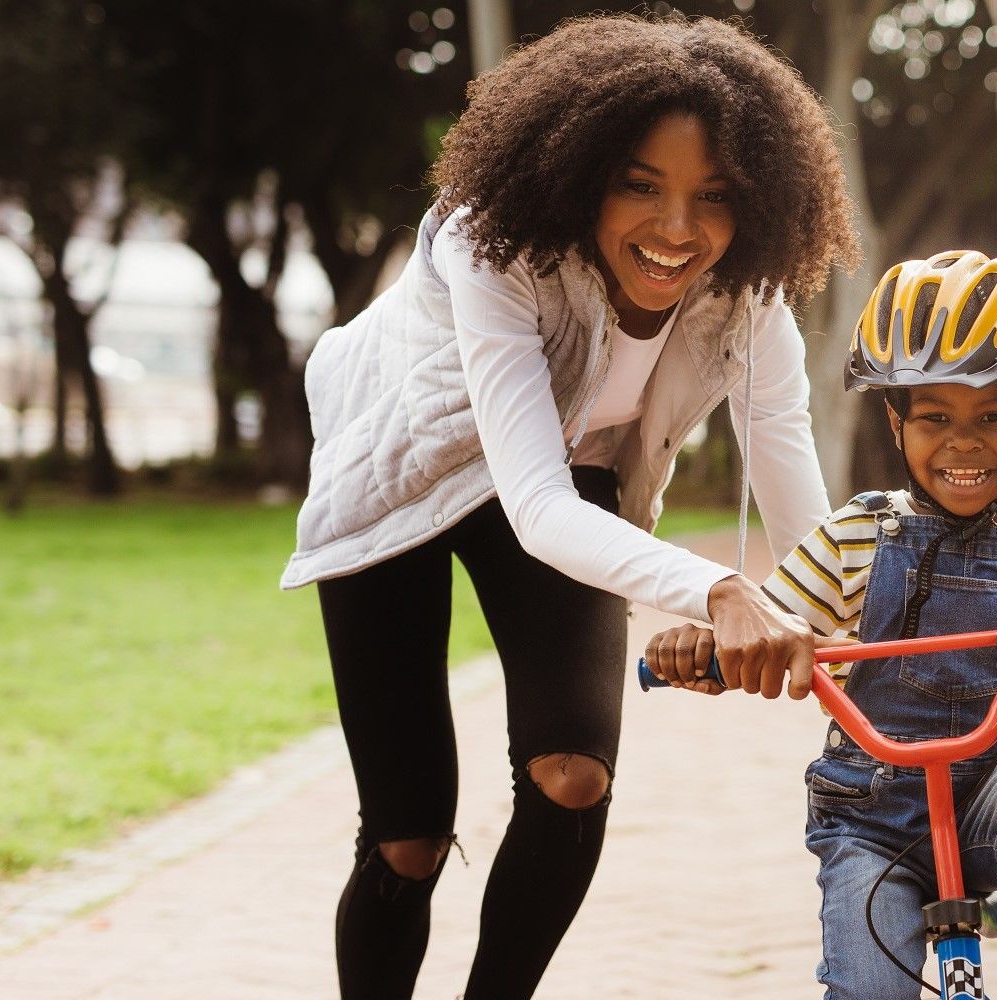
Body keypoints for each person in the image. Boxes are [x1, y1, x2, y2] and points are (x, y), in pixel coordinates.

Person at [277, 14, 857, 998]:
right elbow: (532, 505)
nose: (677, 229)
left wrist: (854, 615)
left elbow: (791, 477)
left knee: (572, 773)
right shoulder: (488, 242)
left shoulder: (746, 298)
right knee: (409, 834)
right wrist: (721, 589)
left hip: (569, 473)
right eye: (640, 183)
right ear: (579, 169)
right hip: (400, 476)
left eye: (711, 198)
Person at [645, 251, 997, 1000]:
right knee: (870, 991)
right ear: (896, 420)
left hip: (996, 810)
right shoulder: (858, 535)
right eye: (936, 417)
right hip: (874, 824)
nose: (964, 442)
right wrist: (707, 651)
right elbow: (773, 628)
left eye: (993, 417)